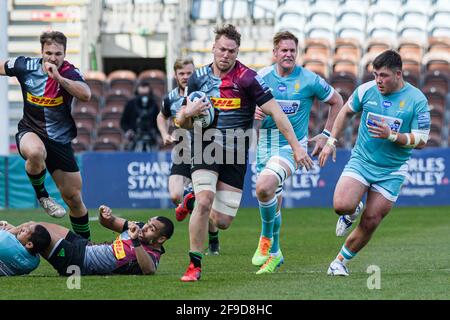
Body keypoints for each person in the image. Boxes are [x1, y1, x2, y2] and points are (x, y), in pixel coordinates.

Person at [176, 24, 314, 282]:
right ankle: (194, 265)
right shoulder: (198, 78)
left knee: (222, 221)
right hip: (204, 146)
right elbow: (182, 121)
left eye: (231, 51)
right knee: (206, 200)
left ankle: (191, 199)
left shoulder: (248, 79)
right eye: (221, 49)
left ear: (237, 51)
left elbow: (276, 112)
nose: (225, 55)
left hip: (236, 152)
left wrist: (296, 146)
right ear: (213, 48)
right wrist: (187, 114)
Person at [318, 50, 430, 276]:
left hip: (392, 170)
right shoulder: (366, 90)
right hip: (362, 161)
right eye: (376, 74)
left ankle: (339, 262)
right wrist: (331, 141)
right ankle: (352, 211)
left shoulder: (417, 99)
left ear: (398, 74)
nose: (378, 80)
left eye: (384, 76)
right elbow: (346, 112)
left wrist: (392, 135)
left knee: (371, 220)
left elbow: (421, 140)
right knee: (342, 205)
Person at [251, 31, 343, 274]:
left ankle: (265, 239)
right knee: (271, 198)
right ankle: (275, 253)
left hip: (292, 146)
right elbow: (243, 102)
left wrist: (326, 135)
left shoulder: (309, 79)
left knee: (263, 187)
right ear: (275, 53)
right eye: (284, 50)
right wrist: (253, 111)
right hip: (265, 144)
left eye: (292, 50)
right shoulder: (261, 77)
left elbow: (337, 101)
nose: (289, 54)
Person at [0, 31, 93, 240]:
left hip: (59, 140)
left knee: (74, 199)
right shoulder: (25, 65)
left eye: (58, 54)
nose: (53, 58)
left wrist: (58, 78)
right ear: (41, 52)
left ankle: (85, 247)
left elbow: (86, 95)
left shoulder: (70, 72)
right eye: (49, 53)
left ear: (64, 54)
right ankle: (43, 196)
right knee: (35, 152)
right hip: (30, 131)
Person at [157, 57, 220, 255]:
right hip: (182, 148)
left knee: (202, 201)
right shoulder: (171, 98)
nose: (185, 77)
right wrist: (164, 134)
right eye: (181, 73)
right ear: (175, 75)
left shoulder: (204, 95)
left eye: (189, 73)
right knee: (176, 194)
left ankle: (213, 238)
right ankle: (188, 203)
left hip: (204, 149)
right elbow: (161, 116)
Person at [38, 205, 174, 276]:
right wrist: (105, 214)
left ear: (161, 238)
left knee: (35, 233)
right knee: (37, 224)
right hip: (84, 245)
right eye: (148, 223)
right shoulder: (137, 227)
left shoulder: (152, 255)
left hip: (79, 261)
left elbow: (149, 270)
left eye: (152, 228)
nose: (145, 228)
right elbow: (110, 222)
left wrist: (135, 242)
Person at [120, 80, 160, 152]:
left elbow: (158, 122)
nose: (144, 98)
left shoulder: (154, 104)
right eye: (141, 94)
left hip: (150, 138)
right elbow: (123, 122)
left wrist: (157, 134)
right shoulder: (130, 104)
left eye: (146, 94)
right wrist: (128, 131)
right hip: (135, 138)